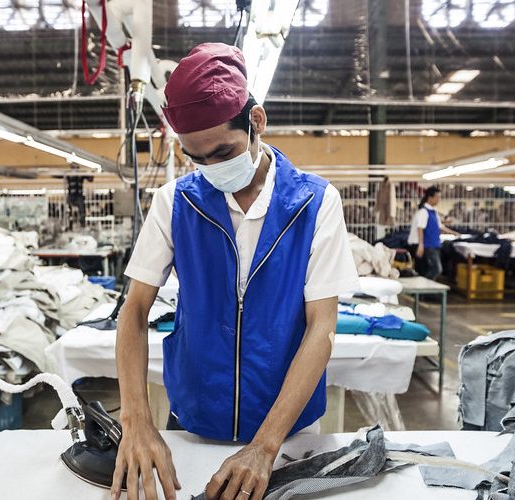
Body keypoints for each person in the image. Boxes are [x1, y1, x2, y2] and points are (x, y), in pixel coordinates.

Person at [113, 43, 360, 500]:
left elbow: (321, 326)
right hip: (195, 419)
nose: (211, 168)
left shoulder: (315, 203)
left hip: (287, 432)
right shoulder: (175, 204)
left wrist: (264, 447)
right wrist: (137, 421)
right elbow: (135, 311)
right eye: (196, 158)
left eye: (223, 151)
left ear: (256, 121)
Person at [407, 186, 459, 280]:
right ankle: (425, 285)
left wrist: (455, 233)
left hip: (432, 244)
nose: (439, 199)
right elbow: (420, 228)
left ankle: (425, 286)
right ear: (430, 198)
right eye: (437, 197)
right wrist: (421, 245)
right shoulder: (423, 212)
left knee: (429, 269)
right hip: (424, 245)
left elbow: (440, 226)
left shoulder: (433, 211)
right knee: (435, 269)